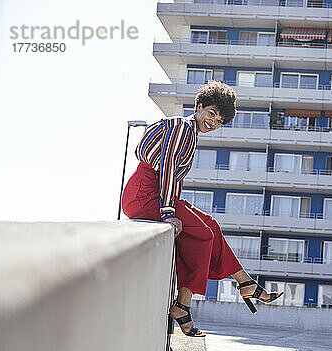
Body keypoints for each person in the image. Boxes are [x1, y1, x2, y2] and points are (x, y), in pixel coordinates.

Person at [121, 80, 283, 337]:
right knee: (203, 234)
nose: (213, 123)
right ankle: (184, 306)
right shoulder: (181, 127)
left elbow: (174, 176)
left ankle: (245, 284)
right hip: (146, 193)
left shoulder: (189, 132)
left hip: (156, 193)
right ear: (199, 107)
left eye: (219, 121)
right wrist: (169, 213)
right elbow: (168, 169)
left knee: (211, 225)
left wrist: (172, 207)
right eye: (211, 114)